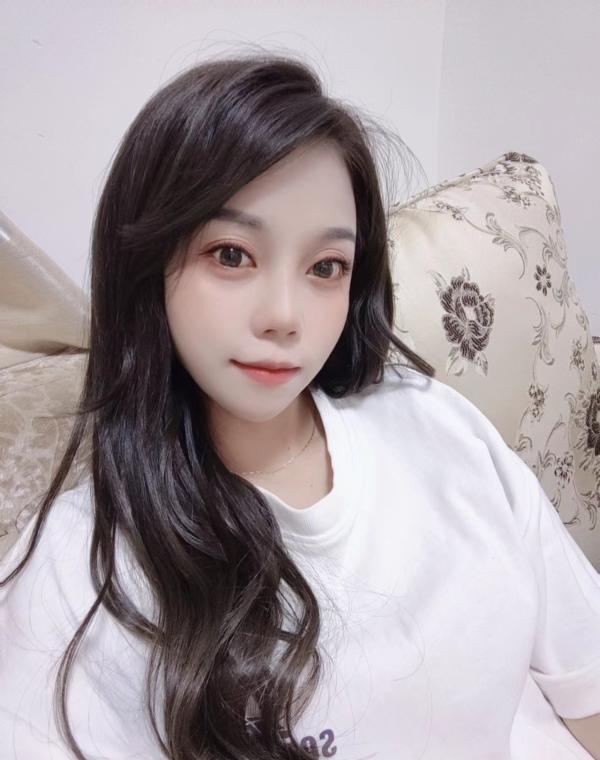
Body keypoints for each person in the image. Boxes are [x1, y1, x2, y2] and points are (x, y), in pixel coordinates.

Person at [1, 50, 600, 760]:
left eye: (325, 267)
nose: (285, 316)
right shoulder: (75, 580)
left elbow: (587, 688)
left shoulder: (440, 423)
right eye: (231, 254)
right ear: (148, 263)